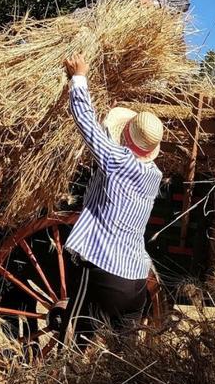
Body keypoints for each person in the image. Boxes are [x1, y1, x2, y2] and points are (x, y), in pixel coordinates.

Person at [62, 52, 163, 346]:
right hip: (135, 280)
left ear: (125, 137)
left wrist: (78, 77)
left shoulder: (118, 161)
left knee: (71, 341)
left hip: (102, 272)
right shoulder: (154, 175)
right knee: (122, 359)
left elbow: (86, 125)